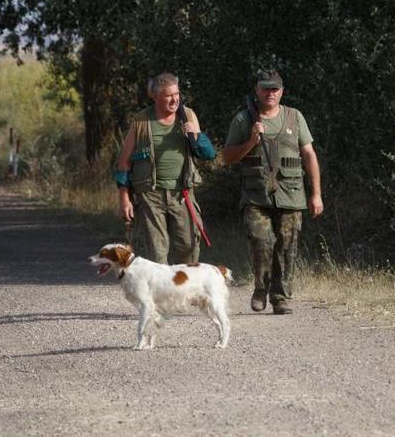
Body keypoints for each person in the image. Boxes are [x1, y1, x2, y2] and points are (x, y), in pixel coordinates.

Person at [222, 70, 323, 314]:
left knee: (287, 246)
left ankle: (281, 297)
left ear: (282, 91)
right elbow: (227, 157)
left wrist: (316, 193)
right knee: (260, 241)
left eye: (274, 88)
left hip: (291, 194)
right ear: (257, 90)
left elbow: (309, 155)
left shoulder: (294, 117)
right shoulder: (243, 120)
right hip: (256, 195)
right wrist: (251, 141)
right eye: (265, 88)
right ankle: (260, 288)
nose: (270, 93)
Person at [114, 72, 216, 264]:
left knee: (189, 247)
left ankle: (184, 292)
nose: (175, 99)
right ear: (155, 96)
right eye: (169, 95)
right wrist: (124, 198)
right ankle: (161, 293)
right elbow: (123, 162)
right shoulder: (141, 121)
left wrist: (197, 135)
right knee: (157, 253)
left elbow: (209, 154)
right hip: (151, 195)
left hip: (182, 194)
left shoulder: (188, 115)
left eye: (177, 94)